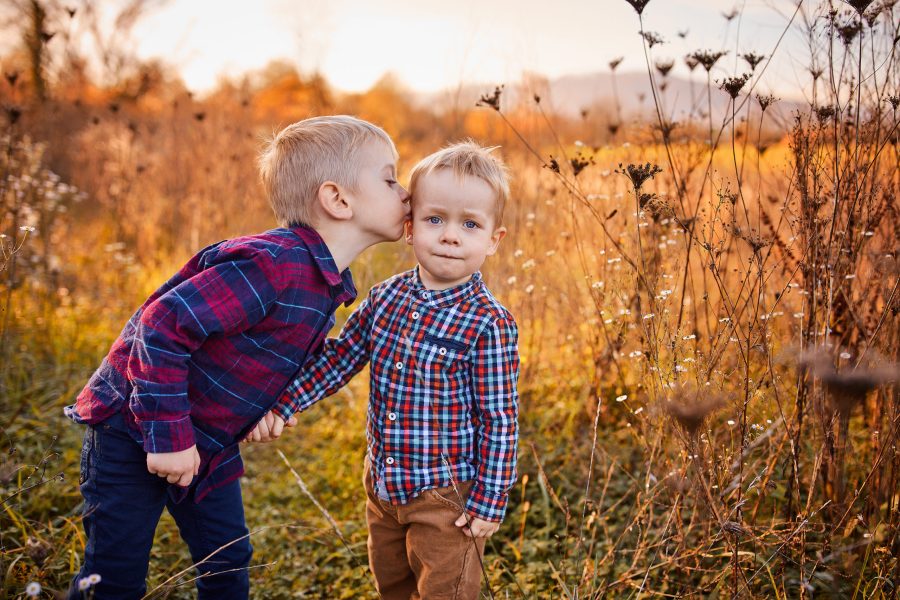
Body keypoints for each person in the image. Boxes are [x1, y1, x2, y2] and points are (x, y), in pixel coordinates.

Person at [64, 115, 410, 600]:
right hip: (134, 426)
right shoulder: (273, 264)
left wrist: (274, 405)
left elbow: (272, 356)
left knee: (225, 559)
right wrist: (168, 438)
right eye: (391, 178)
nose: (405, 192)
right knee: (114, 575)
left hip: (208, 440)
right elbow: (160, 325)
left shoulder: (325, 282)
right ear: (338, 200)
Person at [249, 141, 519, 600]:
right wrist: (286, 400)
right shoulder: (385, 298)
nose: (450, 236)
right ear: (410, 228)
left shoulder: (489, 323)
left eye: (470, 224)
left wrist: (489, 500)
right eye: (436, 219)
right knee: (391, 582)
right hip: (383, 484)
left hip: (446, 496)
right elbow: (339, 358)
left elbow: (500, 420)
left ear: (493, 239)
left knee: (444, 590)